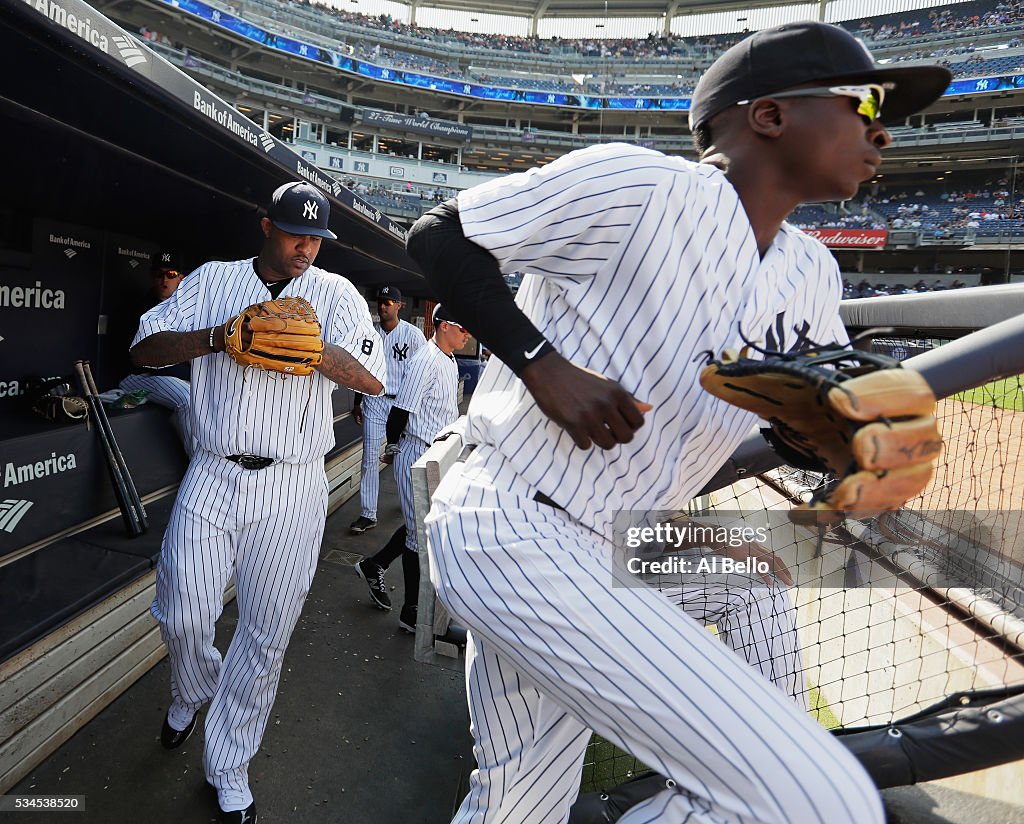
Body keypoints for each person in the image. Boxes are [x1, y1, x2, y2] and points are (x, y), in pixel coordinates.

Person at [405, 22, 950, 824]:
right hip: (512, 518)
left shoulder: (812, 268)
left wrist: (844, 451)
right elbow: (441, 234)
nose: (882, 128)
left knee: (522, 799)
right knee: (816, 798)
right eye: (865, 100)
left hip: (622, 537)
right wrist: (543, 365)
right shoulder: (642, 184)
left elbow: (809, 425)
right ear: (768, 116)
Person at [129, 181, 385, 824]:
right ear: (266, 226)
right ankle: (193, 690)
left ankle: (229, 765)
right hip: (214, 469)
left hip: (293, 482)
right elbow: (143, 349)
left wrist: (313, 350)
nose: (307, 248)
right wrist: (219, 337)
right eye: (296, 234)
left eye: (317, 238)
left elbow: (374, 376)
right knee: (181, 608)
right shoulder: (214, 280)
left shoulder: (336, 294)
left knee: (266, 636)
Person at [355, 304, 469, 632]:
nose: (467, 334)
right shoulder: (426, 359)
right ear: (444, 325)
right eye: (462, 328)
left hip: (435, 455)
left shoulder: (447, 359)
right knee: (421, 535)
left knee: (422, 526)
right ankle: (411, 612)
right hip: (416, 454)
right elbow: (400, 412)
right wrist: (393, 448)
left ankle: (374, 564)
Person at [349, 286, 426, 535]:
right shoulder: (369, 333)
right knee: (370, 458)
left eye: (389, 302)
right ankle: (367, 514)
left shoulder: (413, 335)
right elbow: (361, 368)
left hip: (402, 404)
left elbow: (424, 373)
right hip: (375, 400)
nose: (384, 306)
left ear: (399, 305)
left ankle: (408, 502)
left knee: (405, 457)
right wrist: (356, 402)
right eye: (381, 302)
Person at [118, 250, 194, 454]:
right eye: (159, 274)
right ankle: (198, 465)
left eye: (170, 275)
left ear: (181, 278)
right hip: (138, 376)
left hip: (173, 376)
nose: (164, 280)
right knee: (187, 398)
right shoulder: (143, 309)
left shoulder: (187, 309)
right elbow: (145, 361)